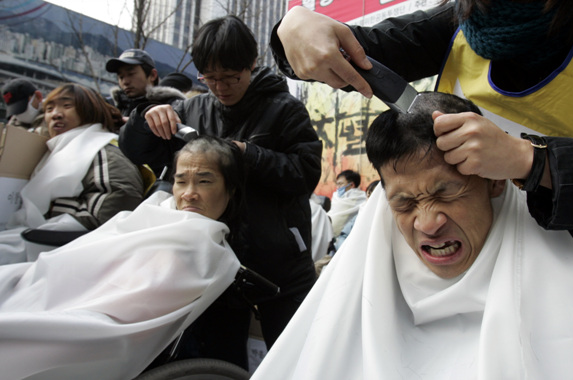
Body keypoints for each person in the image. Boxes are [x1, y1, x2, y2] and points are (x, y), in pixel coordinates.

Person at [251, 91, 573, 380]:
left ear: (494, 180)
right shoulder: (358, 293)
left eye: (446, 194)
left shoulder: (562, 292)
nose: (428, 224)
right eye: (406, 203)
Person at [270, 1, 573, 254]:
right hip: (478, 256)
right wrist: (294, 28)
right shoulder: (457, 25)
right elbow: (349, 51)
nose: (427, 222)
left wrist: (531, 160)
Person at [119, 15, 322, 370]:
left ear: (252, 64)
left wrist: (247, 154)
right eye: (210, 78)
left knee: (294, 362)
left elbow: (304, 175)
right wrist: (146, 119)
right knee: (215, 364)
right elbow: (137, 152)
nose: (220, 87)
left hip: (280, 268)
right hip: (214, 267)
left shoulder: (285, 110)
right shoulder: (192, 109)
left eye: (231, 77)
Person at [0, 135, 244, 380]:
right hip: (55, 288)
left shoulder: (206, 247)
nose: (189, 194)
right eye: (181, 182)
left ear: (230, 189)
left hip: (99, 320)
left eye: (204, 181)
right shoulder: (150, 212)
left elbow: (134, 307)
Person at [0, 83, 144, 264]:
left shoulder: (103, 149)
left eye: (67, 106)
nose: (56, 114)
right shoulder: (52, 150)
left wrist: (54, 210)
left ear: (89, 110)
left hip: (64, 248)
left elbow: (118, 202)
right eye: (49, 109)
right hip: (34, 234)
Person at [106, 49, 186, 119]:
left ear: (152, 75)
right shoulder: (111, 107)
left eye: (131, 74)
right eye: (121, 77)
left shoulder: (173, 105)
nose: (125, 82)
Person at [328, 170, 366, 249]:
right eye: (337, 184)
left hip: (348, 237)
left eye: (340, 184)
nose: (337, 187)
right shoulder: (336, 197)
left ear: (351, 185)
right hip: (330, 236)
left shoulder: (362, 198)